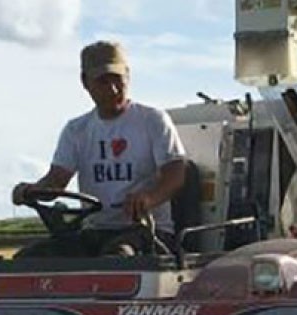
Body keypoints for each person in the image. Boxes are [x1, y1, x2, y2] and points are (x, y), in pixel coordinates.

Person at [13, 40, 187, 257]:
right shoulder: (77, 130)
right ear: (85, 82)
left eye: (118, 80)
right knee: (28, 258)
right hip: (95, 230)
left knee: (118, 256)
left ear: (128, 76)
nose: (113, 89)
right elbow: (56, 181)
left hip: (147, 231)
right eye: (103, 81)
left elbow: (176, 175)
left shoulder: (152, 120)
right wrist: (30, 190)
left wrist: (149, 198)